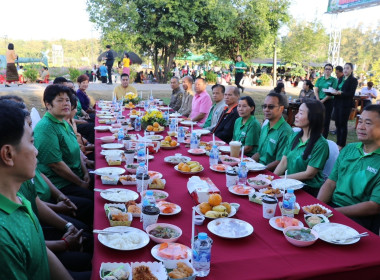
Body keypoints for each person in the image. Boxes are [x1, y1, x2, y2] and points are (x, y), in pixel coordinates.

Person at [0, 100, 73, 279]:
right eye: (31, 142)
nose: (36, 151)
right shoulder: (3, 237)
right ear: (8, 154)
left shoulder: (18, 199)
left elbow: (40, 250)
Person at [317, 105, 380, 234]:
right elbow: (330, 182)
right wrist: (318, 207)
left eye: (368, 123)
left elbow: (374, 206)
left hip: (359, 219)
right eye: (360, 121)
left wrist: (333, 212)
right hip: (332, 207)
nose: (360, 127)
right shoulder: (349, 149)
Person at [33, 85, 94, 202]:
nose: (66, 104)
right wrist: (80, 182)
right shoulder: (46, 127)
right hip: (60, 184)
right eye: (60, 100)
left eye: (67, 100)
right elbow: (56, 165)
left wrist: (85, 172)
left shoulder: (63, 122)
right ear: (48, 104)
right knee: (91, 202)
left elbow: (76, 150)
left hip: (77, 175)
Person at [274, 100, 329, 197]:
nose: (296, 115)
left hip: (307, 189)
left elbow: (309, 174)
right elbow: (284, 162)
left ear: (313, 117)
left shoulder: (321, 144)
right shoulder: (294, 136)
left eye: (301, 113)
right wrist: (274, 179)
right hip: (288, 184)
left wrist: (282, 179)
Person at [252, 92, 293, 171]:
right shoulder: (265, 126)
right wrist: (247, 163)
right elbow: (259, 153)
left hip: (270, 174)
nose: (266, 109)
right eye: (264, 106)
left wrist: (260, 169)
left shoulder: (285, 132)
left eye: (271, 107)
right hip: (258, 168)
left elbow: (280, 161)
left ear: (281, 108)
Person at [331, 63, 358, 149]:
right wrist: (333, 91)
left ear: (351, 70)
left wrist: (340, 93)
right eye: (344, 68)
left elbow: (351, 94)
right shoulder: (340, 79)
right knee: (337, 124)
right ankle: (338, 142)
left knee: (343, 124)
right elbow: (337, 90)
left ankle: (342, 144)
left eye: (347, 68)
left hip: (345, 105)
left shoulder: (353, 80)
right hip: (337, 104)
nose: (345, 70)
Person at [314, 64, 338, 138]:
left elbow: (332, 92)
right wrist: (318, 100)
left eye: (329, 69)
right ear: (324, 70)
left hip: (328, 102)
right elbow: (316, 89)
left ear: (331, 70)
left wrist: (323, 100)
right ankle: (315, 136)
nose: (327, 70)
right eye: (326, 69)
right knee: (317, 119)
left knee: (326, 120)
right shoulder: (320, 79)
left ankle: (324, 138)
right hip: (318, 100)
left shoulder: (334, 80)